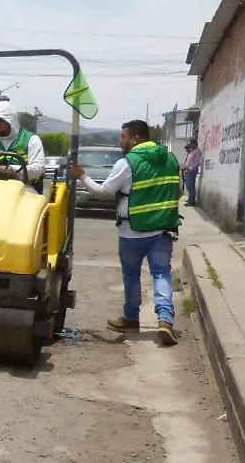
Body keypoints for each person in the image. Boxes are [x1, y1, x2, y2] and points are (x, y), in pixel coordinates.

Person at [70, 119, 182, 346]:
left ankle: (131, 318)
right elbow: (178, 190)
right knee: (162, 274)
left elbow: (103, 192)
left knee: (132, 276)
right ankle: (165, 322)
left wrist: (82, 175)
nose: (121, 141)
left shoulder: (127, 162)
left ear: (136, 139)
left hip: (132, 232)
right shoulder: (171, 159)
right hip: (162, 230)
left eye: (123, 137)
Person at [182, 140, 202, 207]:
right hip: (187, 170)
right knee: (188, 185)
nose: (191, 145)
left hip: (192, 171)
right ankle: (190, 199)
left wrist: (191, 168)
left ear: (196, 144)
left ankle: (192, 201)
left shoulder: (197, 151)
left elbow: (197, 162)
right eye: (191, 144)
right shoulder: (192, 151)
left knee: (191, 186)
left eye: (192, 144)